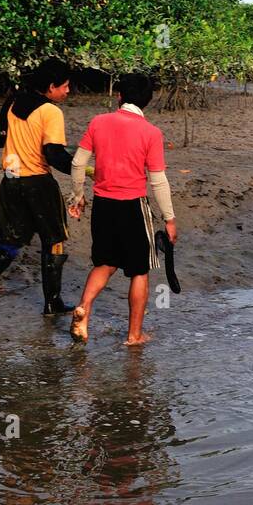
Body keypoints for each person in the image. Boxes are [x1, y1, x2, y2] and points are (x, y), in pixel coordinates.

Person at [67, 73, 177, 346]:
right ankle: (134, 335)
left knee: (104, 263)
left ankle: (84, 307)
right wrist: (169, 218)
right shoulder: (151, 133)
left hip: (103, 204)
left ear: (119, 96)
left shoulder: (98, 122)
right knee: (139, 271)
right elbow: (158, 180)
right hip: (133, 207)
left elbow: (78, 163)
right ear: (148, 101)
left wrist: (77, 196)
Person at [0, 59, 75, 321]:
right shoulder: (51, 112)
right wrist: (81, 169)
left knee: (9, 244)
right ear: (51, 87)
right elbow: (54, 154)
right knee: (54, 240)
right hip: (38, 182)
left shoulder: (14, 103)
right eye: (66, 86)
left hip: (10, 182)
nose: (68, 91)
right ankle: (52, 302)